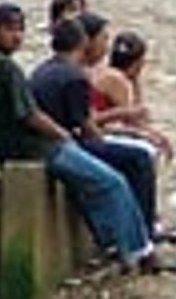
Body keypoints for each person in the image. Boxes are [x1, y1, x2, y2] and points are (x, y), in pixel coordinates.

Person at [0, 0, 159, 271]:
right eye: (10, 29)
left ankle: (117, 242)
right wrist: (62, 135)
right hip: (37, 147)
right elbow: (31, 115)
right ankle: (138, 250)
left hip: (16, 147)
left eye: (20, 30)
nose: (16, 36)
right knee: (113, 182)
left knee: (96, 185)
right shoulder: (8, 69)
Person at [31, 15, 163, 236]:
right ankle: (140, 236)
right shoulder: (78, 75)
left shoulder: (53, 70)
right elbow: (89, 125)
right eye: (103, 38)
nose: (106, 44)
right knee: (133, 164)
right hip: (66, 144)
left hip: (61, 142)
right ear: (85, 42)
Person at [92, 27, 172, 161]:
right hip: (99, 132)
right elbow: (133, 119)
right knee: (150, 150)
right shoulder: (117, 80)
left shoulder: (105, 72)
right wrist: (155, 135)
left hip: (100, 128)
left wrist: (135, 81)